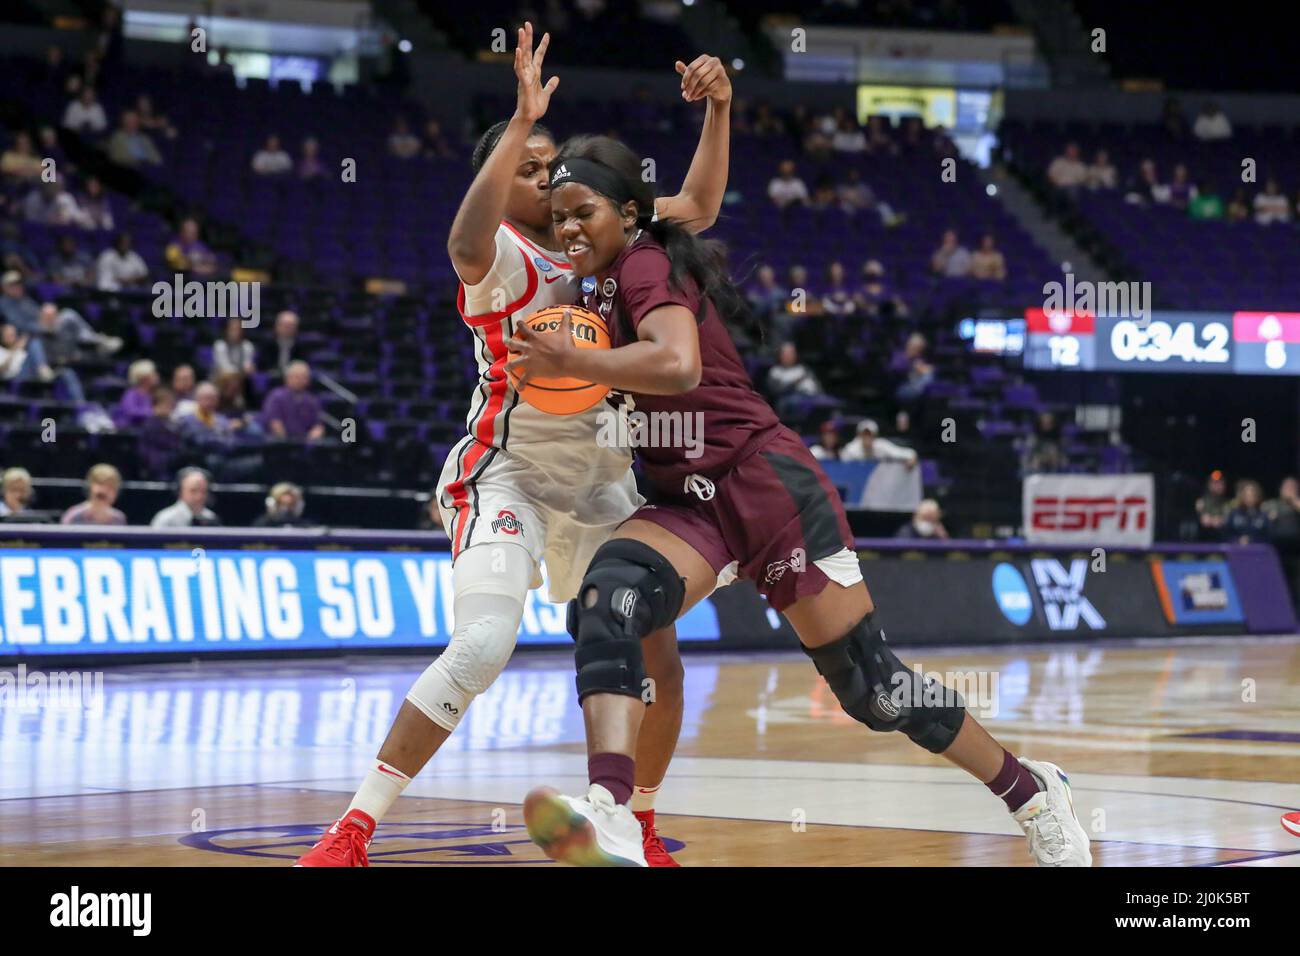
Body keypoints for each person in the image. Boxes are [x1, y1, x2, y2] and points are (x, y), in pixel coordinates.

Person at [508, 131, 1091, 868]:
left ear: (627, 213)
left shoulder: (646, 263)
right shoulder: (597, 274)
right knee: (607, 599)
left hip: (764, 485)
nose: (566, 229)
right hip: (686, 501)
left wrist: (575, 361)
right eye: (557, 217)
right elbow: (700, 202)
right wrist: (719, 109)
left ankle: (1032, 791)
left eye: (580, 213)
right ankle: (611, 809)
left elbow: (679, 364)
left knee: (874, 691)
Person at [295, 25, 733, 869]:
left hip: (606, 486)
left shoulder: (606, 234)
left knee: (662, 661)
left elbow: (700, 206)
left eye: (550, 163)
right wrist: (523, 117)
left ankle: (634, 825)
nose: (545, 176)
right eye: (527, 168)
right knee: (484, 646)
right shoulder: (495, 253)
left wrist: (718, 105)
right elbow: (463, 240)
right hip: (511, 478)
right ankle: (353, 828)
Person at [261, 360, 324, 439]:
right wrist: (288, 442)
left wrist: (315, 435)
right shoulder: (276, 396)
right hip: (279, 442)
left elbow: (317, 425)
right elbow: (275, 423)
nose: (300, 381)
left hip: (304, 441)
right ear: (287, 378)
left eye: (304, 377)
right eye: (297, 377)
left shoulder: (312, 400)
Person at [151, 467, 221, 527]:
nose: (199, 496)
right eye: (193, 490)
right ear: (180, 491)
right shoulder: (165, 519)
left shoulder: (212, 519)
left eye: (203, 491)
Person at [61, 463, 127, 525]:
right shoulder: (73, 516)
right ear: (89, 489)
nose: (105, 491)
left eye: (110, 487)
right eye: (100, 495)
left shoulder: (119, 519)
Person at [842, 418, 918, 467]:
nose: (867, 438)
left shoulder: (882, 445)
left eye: (870, 435)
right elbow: (842, 465)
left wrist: (912, 458)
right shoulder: (851, 449)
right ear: (859, 436)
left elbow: (910, 453)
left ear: (875, 436)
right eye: (864, 435)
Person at [113, 358, 159, 429]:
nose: (157, 376)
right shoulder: (131, 394)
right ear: (144, 377)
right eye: (153, 373)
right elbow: (131, 412)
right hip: (129, 432)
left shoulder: (153, 394)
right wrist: (153, 412)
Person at [1195, 470, 1231, 539]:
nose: (1218, 486)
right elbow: (1204, 521)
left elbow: (1226, 520)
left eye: (1221, 483)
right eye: (1215, 483)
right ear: (1209, 485)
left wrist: (1220, 520)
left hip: (1223, 539)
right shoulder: (1201, 502)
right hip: (1204, 539)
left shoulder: (1229, 503)